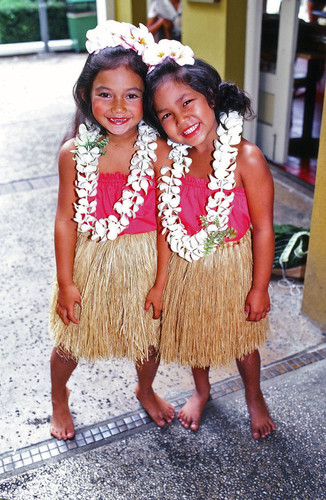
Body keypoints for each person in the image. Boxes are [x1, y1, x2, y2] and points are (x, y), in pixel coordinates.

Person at [49, 21, 175, 440]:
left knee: (149, 340)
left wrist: (161, 281)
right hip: (91, 259)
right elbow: (66, 218)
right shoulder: (75, 152)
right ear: (87, 96)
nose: (118, 106)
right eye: (105, 94)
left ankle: (145, 388)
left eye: (132, 95)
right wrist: (66, 282)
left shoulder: (157, 149)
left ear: (146, 100)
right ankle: (59, 396)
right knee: (71, 340)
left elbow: (165, 220)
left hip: (143, 259)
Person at [143, 42, 276, 439]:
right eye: (166, 114)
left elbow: (265, 227)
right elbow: (168, 226)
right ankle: (202, 391)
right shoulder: (173, 160)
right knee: (195, 334)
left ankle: (254, 396)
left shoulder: (245, 158)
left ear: (212, 98)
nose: (181, 119)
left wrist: (259, 287)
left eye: (188, 102)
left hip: (234, 264)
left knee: (243, 341)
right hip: (188, 267)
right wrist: (161, 284)